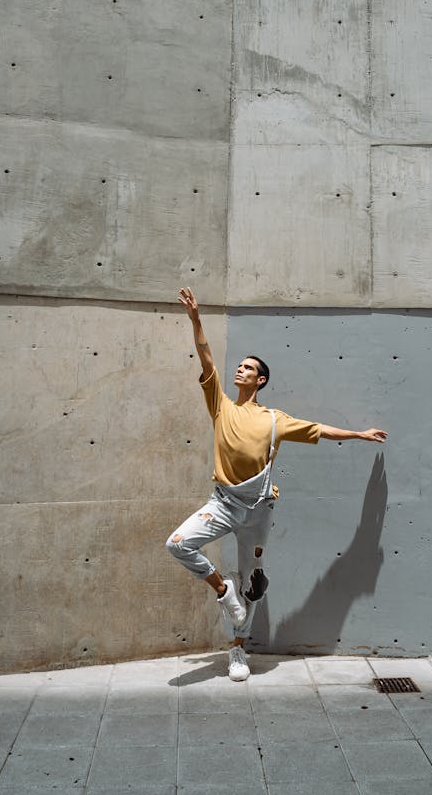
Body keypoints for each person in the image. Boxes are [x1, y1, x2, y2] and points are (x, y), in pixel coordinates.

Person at [166, 287, 388, 682]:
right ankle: (222, 590)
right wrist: (196, 318)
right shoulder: (220, 404)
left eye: (249, 368)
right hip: (222, 503)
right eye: (240, 367)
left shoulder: (274, 419)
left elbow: (320, 429)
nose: (241, 370)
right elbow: (206, 356)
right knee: (178, 544)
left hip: (258, 510)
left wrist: (359, 434)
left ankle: (238, 650)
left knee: (253, 582)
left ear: (261, 379)